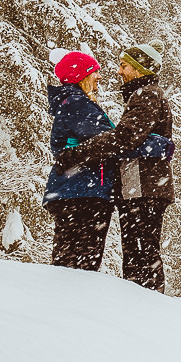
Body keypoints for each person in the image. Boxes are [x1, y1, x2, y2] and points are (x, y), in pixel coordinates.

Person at [55, 43, 174, 292]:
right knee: (139, 251)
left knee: (140, 252)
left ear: (139, 69)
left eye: (124, 66)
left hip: (142, 187)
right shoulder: (143, 95)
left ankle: (145, 304)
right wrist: (156, 144)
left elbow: (124, 138)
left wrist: (77, 154)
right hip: (140, 186)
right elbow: (129, 138)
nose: (119, 72)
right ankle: (142, 302)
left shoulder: (146, 95)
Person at [43, 49, 117, 270]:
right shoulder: (76, 103)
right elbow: (108, 141)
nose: (99, 77)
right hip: (82, 192)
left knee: (69, 258)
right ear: (81, 76)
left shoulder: (73, 103)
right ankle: (71, 301)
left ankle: (66, 298)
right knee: (82, 263)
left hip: (74, 191)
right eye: (94, 72)